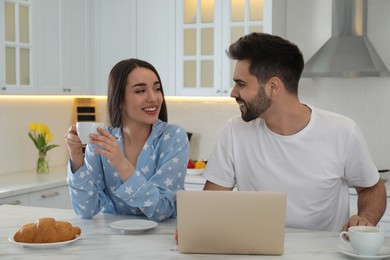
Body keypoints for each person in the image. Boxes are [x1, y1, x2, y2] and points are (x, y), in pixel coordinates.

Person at [202, 32, 387, 232]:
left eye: (241, 84)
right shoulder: (234, 132)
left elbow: (372, 188)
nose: (233, 93)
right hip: (258, 252)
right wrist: (198, 224)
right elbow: (209, 206)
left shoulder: (342, 131)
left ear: (273, 86)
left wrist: (364, 219)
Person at [64, 58, 190, 222]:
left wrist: (121, 164)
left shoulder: (173, 137)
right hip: (113, 240)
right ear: (119, 99)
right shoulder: (102, 141)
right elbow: (86, 210)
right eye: (140, 91)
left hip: (161, 239)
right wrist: (76, 157)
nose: (153, 98)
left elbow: (163, 209)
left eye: (157, 89)